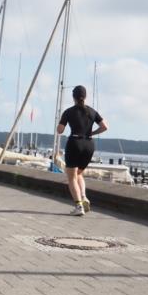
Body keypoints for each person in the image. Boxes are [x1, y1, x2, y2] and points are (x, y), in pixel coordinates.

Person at [56, 85, 107, 216]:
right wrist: (92, 133)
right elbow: (104, 127)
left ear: (73, 97)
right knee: (79, 174)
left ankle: (78, 206)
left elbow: (60, 130)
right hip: (89, 144)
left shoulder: (69, 111)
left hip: (75, 143)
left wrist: (60, 122)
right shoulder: (92, 111)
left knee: (71, 177)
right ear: (85, 96)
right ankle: (84, 196)